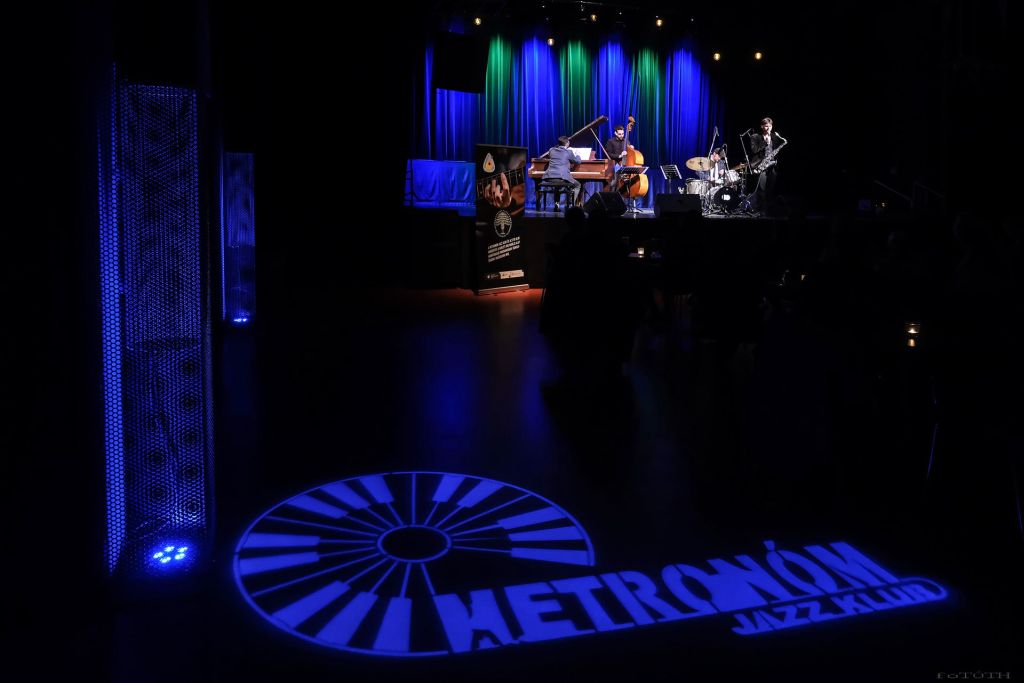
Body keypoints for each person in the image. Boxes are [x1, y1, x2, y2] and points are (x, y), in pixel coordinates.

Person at [746, 117, 785, 214]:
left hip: (772, 165)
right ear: (762, 126)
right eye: (766, 126)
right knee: (761, 189)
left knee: (770, 189)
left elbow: (777, 150)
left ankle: (768, 210)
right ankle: (760, 210)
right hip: (760, 165)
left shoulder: (774, 136)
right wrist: (765, 142)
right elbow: (754, 150)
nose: (768, 128)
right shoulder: (755, 137)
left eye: (770, 126)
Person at [542, 135, 582, 207]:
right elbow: (578, 161)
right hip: (562, 177)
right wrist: (578, 154)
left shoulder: (551, 150)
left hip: (549, 177)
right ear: (567, 143)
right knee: (578, 185)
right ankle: (570, 203)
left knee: (557, 186)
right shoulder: (569, 152)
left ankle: (556, 204)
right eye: (568, 142)